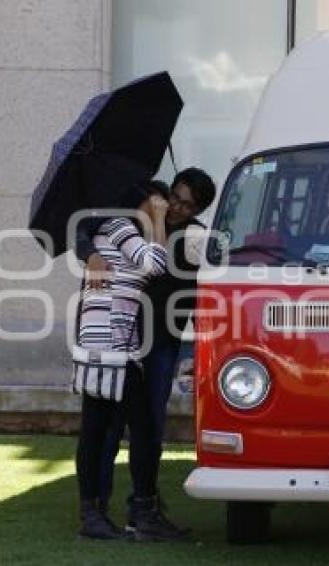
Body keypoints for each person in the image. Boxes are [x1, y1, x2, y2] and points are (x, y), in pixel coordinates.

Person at [76, 167, 216, 541]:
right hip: (114, 344)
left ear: (198, 209)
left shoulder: (193, 237)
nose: (174, 207)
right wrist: (90, 254)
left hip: (146, 345)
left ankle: (139, 509)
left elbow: (177, 277)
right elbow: (85, 234)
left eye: (187, 205)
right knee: (102, 428)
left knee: (144, 428)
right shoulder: (124, 228)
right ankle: (98, 511)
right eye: (172, 198)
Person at [74, 181, 170, 540]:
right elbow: (154, 265)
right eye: (156, 199)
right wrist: (158, 220)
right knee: (139, 429)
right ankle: (138, 514)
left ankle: (95, 515)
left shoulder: (116, 230)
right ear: (143, 199)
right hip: (110, 349)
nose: (161, 205)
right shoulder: (121, 228)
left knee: (98, 429)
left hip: (105, 347)